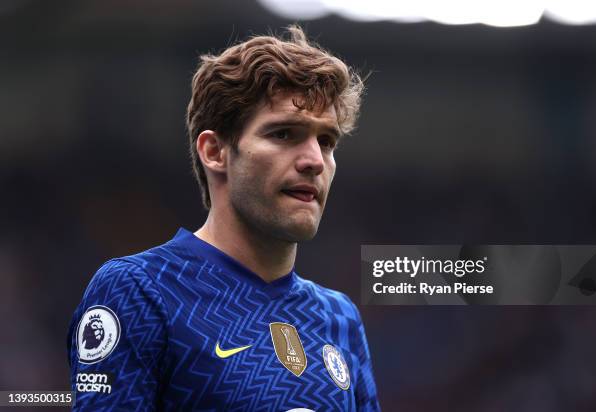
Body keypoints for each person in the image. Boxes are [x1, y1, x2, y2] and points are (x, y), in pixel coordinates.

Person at [67, 25, 380, 411]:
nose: (315, 160)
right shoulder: (141, 291)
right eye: (284, 134)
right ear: (215, 151)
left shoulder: (339, 318)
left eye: (326, 141)